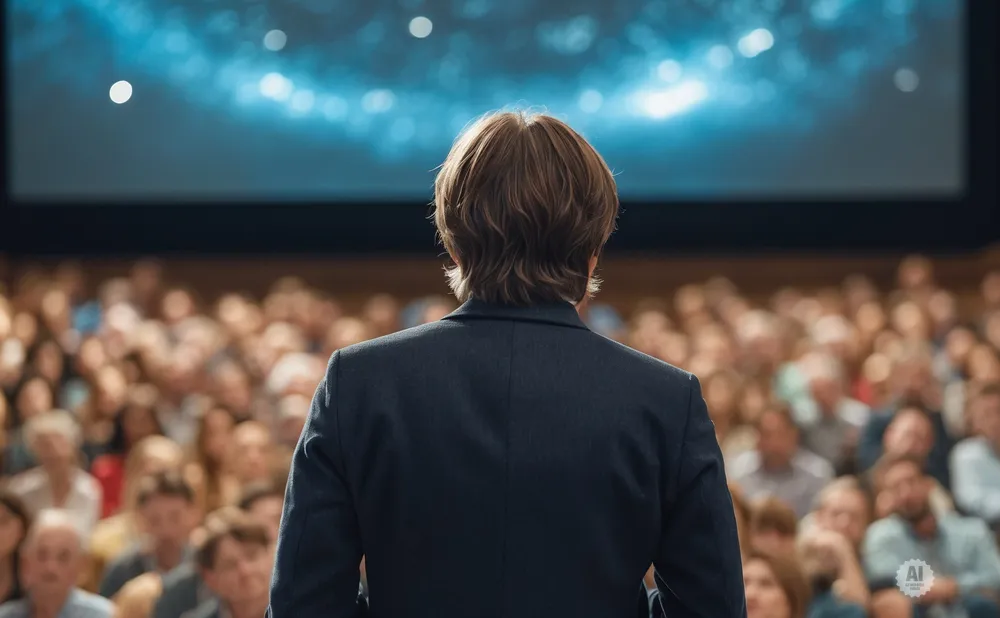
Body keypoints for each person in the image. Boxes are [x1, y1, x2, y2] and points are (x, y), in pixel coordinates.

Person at [268, 111, 746, 617]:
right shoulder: (666, 402)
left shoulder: (359, 384)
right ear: (594, 250)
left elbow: (304, 605)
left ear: (451, 242)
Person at [863, 454, 1000, 618]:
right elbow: (886, 578)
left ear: (928, 484)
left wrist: (955, 586)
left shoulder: (971, 530)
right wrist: (930, 587)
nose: (906, 494)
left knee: (982, 605)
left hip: (968, 609)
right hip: (919, 611)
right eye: (895, 488)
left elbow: (994, 575)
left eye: (911, 482)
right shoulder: (882, 536)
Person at [98, 471, 197, 598]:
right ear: (141, 520)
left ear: (193, 514)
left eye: (175, 518)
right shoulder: (122, 570)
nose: (166, 530)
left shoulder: (206, 566)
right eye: (155, 520)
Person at [0, 509, 113, 617]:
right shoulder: (6, 615)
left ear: (81, 566)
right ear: (26, 563)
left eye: (63, 557)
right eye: (42, 555)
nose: (50, 567)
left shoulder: (103, 615)